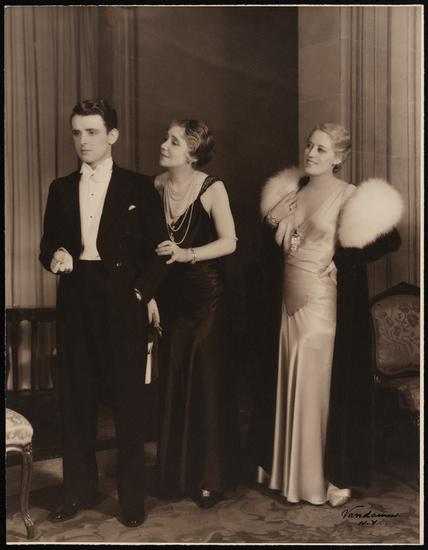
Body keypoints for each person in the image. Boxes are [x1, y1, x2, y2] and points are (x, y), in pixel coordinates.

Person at [251, 122, 402, 506]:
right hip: (286, 302)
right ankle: (286, 472)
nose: (311, 153)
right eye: (309, 145)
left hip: (322, 305)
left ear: (338, 157)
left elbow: (391, 238)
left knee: (316, 385)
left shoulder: (350, 196)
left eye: (321, 149)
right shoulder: (293, 189)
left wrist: (345, 260)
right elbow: (272, 247)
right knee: (288, 377)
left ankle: (318, 477)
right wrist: (273, 218)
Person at [39, 98, 169, 527]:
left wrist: (139, 295)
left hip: (122, 300)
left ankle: (132, 500)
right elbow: (48, 245)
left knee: (128, 403)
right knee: (76, 400)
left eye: (92, 132)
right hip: (76, 299)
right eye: (77, 132)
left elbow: (160, 252)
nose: (83, 141)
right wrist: (55, 255)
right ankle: (78, 491)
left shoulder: (139, 187)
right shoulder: (60, 188)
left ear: (112, 135)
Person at [152, 119, 239, 508]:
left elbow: (230, 242)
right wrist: (150, 297)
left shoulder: (212, 187)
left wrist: (187, 254)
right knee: (174, 380)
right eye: (166, 138)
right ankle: (174, 475)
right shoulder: (156, 186)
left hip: (208, 298)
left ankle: (209, 478)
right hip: (171, 299)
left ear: (192, 152)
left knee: (204, 382)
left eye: (173, 142)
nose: (164, 145)